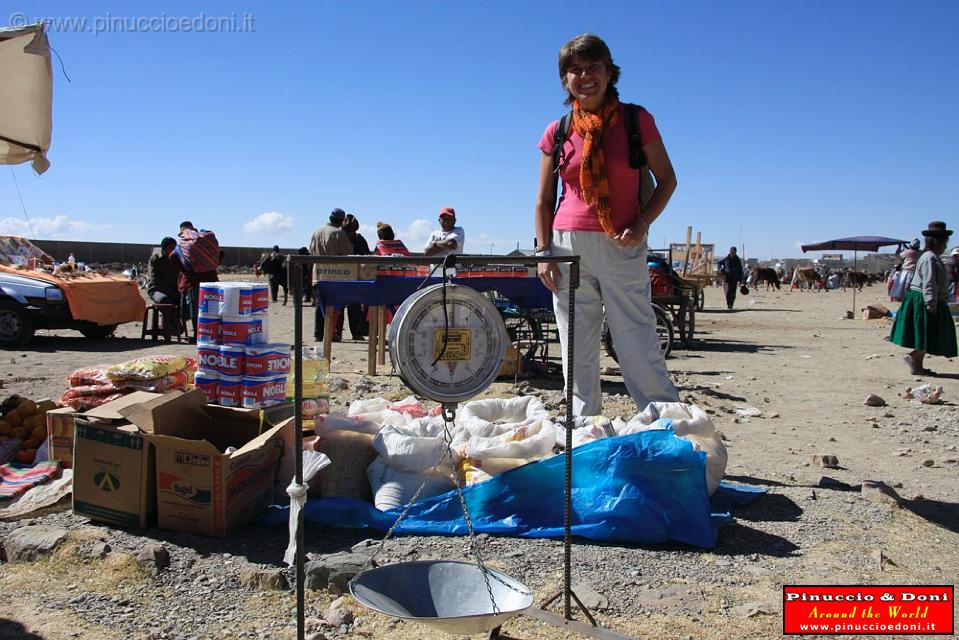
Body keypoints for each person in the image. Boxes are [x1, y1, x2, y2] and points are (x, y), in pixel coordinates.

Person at [534, 33, 679, 417]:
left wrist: (642, 223)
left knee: (636, 338)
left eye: (593, 67)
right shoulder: (559, 130)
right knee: (576, 344)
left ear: (609, 72)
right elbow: (544, 200)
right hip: (566, 246)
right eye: (574, 70)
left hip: (621, 243)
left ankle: (667, 426)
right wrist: (543, 253)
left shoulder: (636, 119)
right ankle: (585, 430)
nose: (585, 76)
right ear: (565, 79)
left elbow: (667, 180)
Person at [890, 221, 956, 375]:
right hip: (925, 299)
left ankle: (917, 364)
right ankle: (914, 357)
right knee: (929, 332)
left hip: (929, 298)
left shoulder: (932, 257)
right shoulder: (929, 258)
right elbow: (929, 282)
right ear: (936, 243)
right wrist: (931, 304)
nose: (945, 247)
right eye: (944, 243)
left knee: (929, 332)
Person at [309, 208, 353, 342]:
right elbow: (347, 253)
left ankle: (318, 333)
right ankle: (332, 333)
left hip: (318, 273)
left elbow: (311, 250)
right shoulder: (339, 233)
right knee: (336, 305)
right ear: (341, 220)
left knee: (320, 303)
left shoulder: (317, 231)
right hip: (336, 274)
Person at [176, 221, 220, 340]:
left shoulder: (181, 245)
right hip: (211, 282)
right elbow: (219, 256)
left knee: (196, 310)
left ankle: (198, 334)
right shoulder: (206, 240)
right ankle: (211, 333)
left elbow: (176, 261)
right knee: (212, 309)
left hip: (193, 283)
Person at [342, 214, 371, 340]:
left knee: (355, 306)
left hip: (357, 277)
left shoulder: (359, 240)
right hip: (343, 276)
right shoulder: (340, 239)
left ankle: (357, 332)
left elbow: (366, 257)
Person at [146, 237, 181, 306]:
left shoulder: (176, 259)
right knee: (165, 300)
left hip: (174, 290)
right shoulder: (155, 259)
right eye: (171, 248)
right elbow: (156, 281)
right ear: (164, 248)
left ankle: (179, 316)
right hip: (157, 290)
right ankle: (169, 317)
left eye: (175, 248)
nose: (173, 250)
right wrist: (173, 293)